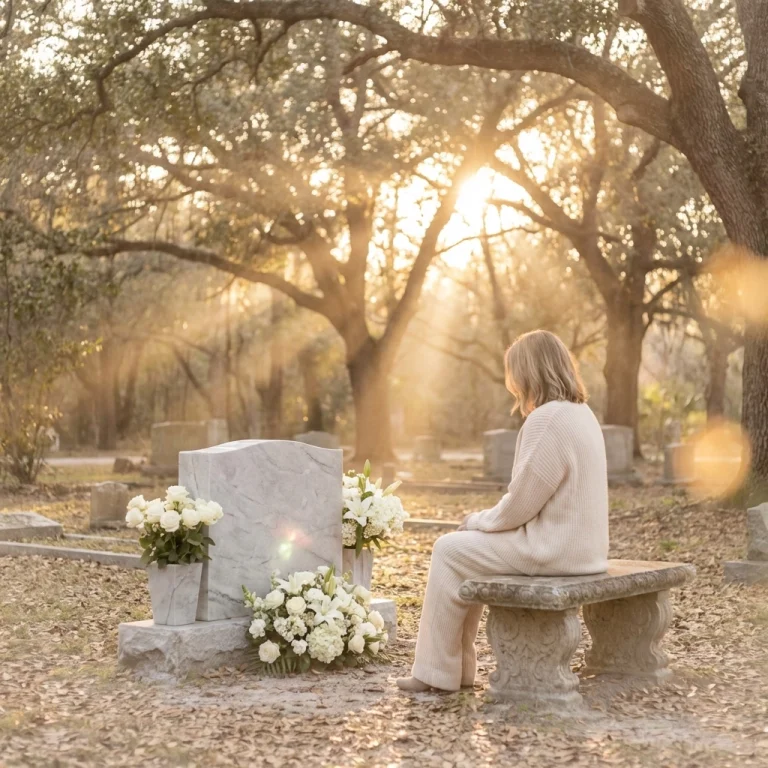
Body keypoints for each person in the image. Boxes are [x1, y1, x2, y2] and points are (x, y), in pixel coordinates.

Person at [396, 330, 609, 693]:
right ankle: (457, 671)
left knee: (449, 549)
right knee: (467, 553)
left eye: (513, 373)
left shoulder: (547, 419)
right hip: (586, 551)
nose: (512, 385)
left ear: (527, 372)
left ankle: (436, 674)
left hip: (552, 551)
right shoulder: (582, 413)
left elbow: (519, 507)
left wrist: (476, 521)